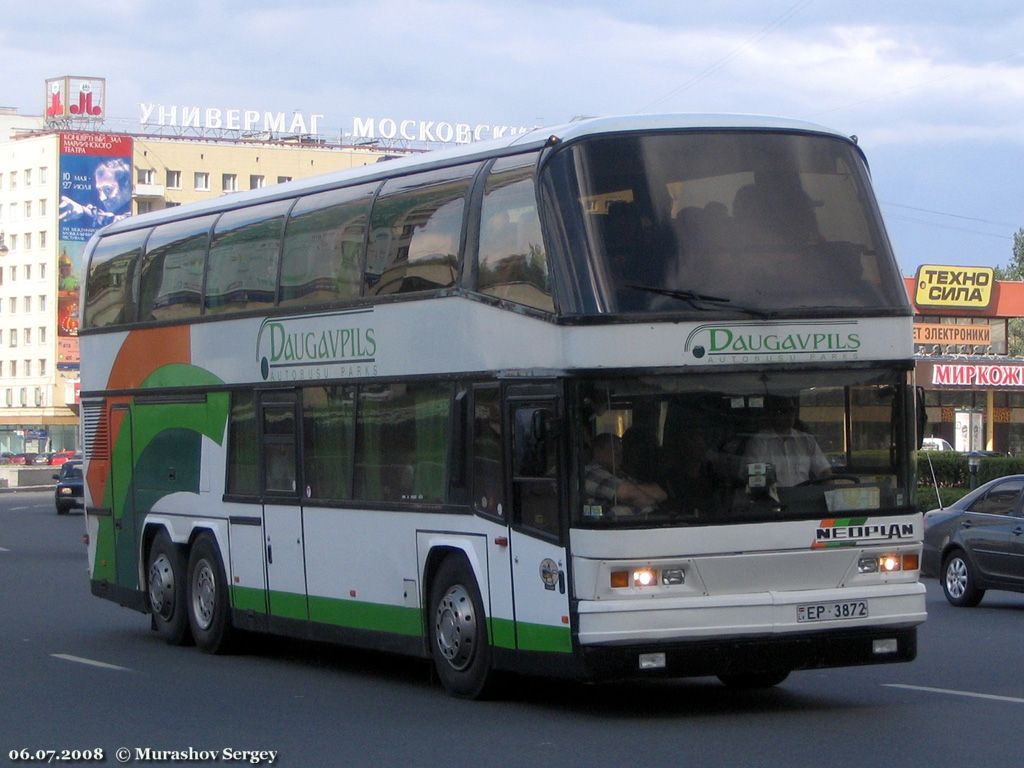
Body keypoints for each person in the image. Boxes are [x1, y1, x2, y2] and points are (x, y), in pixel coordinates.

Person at [742, 396, 831, 487]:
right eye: (783, 411)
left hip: (804, 498)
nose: (789, 415)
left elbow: (824, 472)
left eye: (792, 410)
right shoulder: (758, 441)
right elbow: (752, 479)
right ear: (772, 414)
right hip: (772, 499)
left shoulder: (806, 440)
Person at [585, 432, 667, 516]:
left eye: (621, 450)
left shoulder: (621, 474)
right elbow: (632, 495)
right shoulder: (591, 472)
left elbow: (660, 494)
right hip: (615, 526)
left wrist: (629, 489)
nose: (619, 454)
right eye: (614, 449)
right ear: (598, 451)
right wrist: (637, 493)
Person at [59, 158, 132, 230]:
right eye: (99, 190)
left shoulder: (137, 212)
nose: (102, 198)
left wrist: (84, 211)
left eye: (108, 189)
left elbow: (118, 222)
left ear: (126, 186)